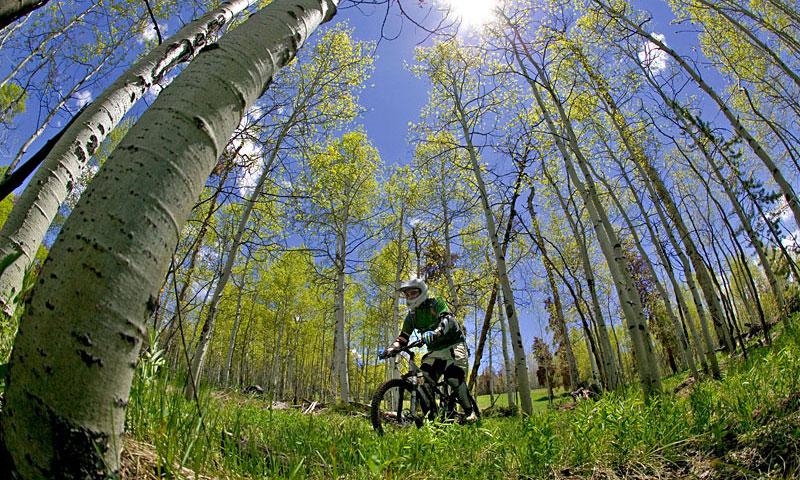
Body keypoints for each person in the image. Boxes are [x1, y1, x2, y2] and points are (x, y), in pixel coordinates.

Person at [386, 277, 478, 422]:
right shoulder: (412, 316)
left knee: (453, 378)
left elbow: (448, 319)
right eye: (407, 294)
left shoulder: (436, 303)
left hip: (454, 345)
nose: (409, 297)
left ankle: (470, 412)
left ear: (422, 292)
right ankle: (433, 418)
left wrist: (437, 332)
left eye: (413, 293)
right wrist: (392, 348)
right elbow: (403, 337)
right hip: (434, 351)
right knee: (422, 381)